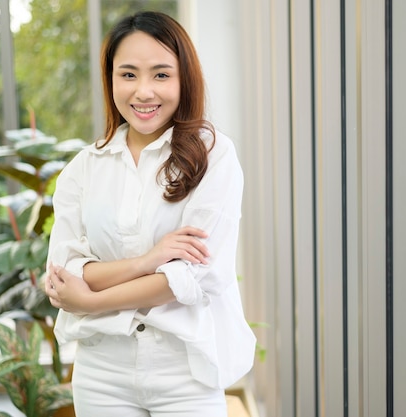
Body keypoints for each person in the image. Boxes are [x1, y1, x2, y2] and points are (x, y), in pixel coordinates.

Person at [44, 10, 256, 417]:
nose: (143, 92)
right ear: (110, 81)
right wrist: (149, 261)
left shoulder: (213, 157)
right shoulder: (82, 170)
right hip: (101, 372)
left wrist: (89, 301)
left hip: (185, 373)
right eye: (128, 75)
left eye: (161, 75)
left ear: (184, 79)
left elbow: (193, 278)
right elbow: (65, 271)